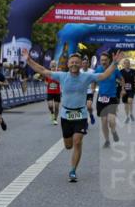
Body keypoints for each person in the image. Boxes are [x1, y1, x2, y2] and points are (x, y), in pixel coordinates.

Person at [25, 50, 123, 181]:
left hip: (80, 114)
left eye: (77, 62)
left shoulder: (86, 77)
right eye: (72, 62)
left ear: (80, 64)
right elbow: (43, 70)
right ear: (68, 64)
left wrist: (115, 63)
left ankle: (72, 170)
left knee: (77, 142)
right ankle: (73, 149)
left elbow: (104, 75)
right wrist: (29, 60)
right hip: (66, 115)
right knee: (68, 145)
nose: (74, 64)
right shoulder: (62, 76)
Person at [93, 52, 123, 148]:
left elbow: (121, 79)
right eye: (102, 60)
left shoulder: (114, 69)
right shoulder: (98, 69)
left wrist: (123, 89)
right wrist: (93, 88)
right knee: (104, 121)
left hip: (112, 97)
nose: (103, 62)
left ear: (109, 60)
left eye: (105, 60)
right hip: (101, 98)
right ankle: (107, 140)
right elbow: (93, 79)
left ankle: (113, 131)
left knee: (111, 120)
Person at [120, 58, 135, 122]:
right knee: (126, 104)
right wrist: (120, 84)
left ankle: (131, 113)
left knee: (130, 100)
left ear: (129, 64)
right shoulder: (121, 71)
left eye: (128, 63)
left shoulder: (133, 71)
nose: (127, 64)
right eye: (125, 63)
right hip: (124, 90)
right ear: (124, 64)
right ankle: (127, 116)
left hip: (131, 89)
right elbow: (117, 79)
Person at [45, 61, 62, 125]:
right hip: (50, 92)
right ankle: (52, 113)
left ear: (56, 66)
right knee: (50, 106)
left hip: (57, 92)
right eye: (52, 65)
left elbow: (61, 81)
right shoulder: (48, 73)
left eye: (54, 65)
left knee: (57, 107)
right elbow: (45, 82)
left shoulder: (58, 73)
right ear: (50, 66)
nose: (53, 67)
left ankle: (55, 119)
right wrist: (47, 84)